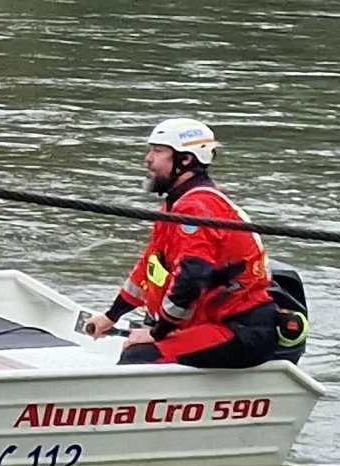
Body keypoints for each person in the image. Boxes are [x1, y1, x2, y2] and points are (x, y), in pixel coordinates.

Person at [86, 117, 282, 368]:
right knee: (143, 344)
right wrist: (112, 316)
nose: (148, 159)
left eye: (158, 151)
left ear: (186, 160)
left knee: (140, 357)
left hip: (239, 329)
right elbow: (148, 270)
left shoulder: (196, 208)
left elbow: (191, 277)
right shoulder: (176, 206)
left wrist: (157, 334)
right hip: (213, 322)